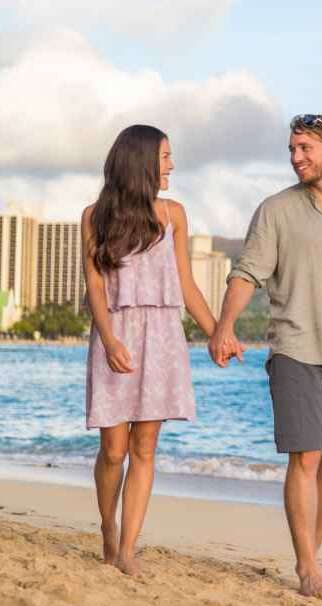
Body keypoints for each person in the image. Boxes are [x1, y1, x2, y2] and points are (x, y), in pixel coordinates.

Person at [209, 114, 322, 597]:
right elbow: (247, 273)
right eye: (292, 149)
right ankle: (308, 568)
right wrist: (224, 327)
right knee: (306, 457)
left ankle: (309, 555)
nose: (296, 157)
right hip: (295, 347)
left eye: (305, 148)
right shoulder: (276, 210)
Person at [82, 124, 225, 575]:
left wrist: (217, 333)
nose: (172, 165)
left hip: (163, 336)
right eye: (165, 157)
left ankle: (127, 548)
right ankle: (108, 527)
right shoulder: (93, 216)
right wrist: (108, 340)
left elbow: (187, 285)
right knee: (113, 450)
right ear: (142, 161)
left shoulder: (174, 214)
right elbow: (94, 287)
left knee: (145, 447)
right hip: (116, 333)